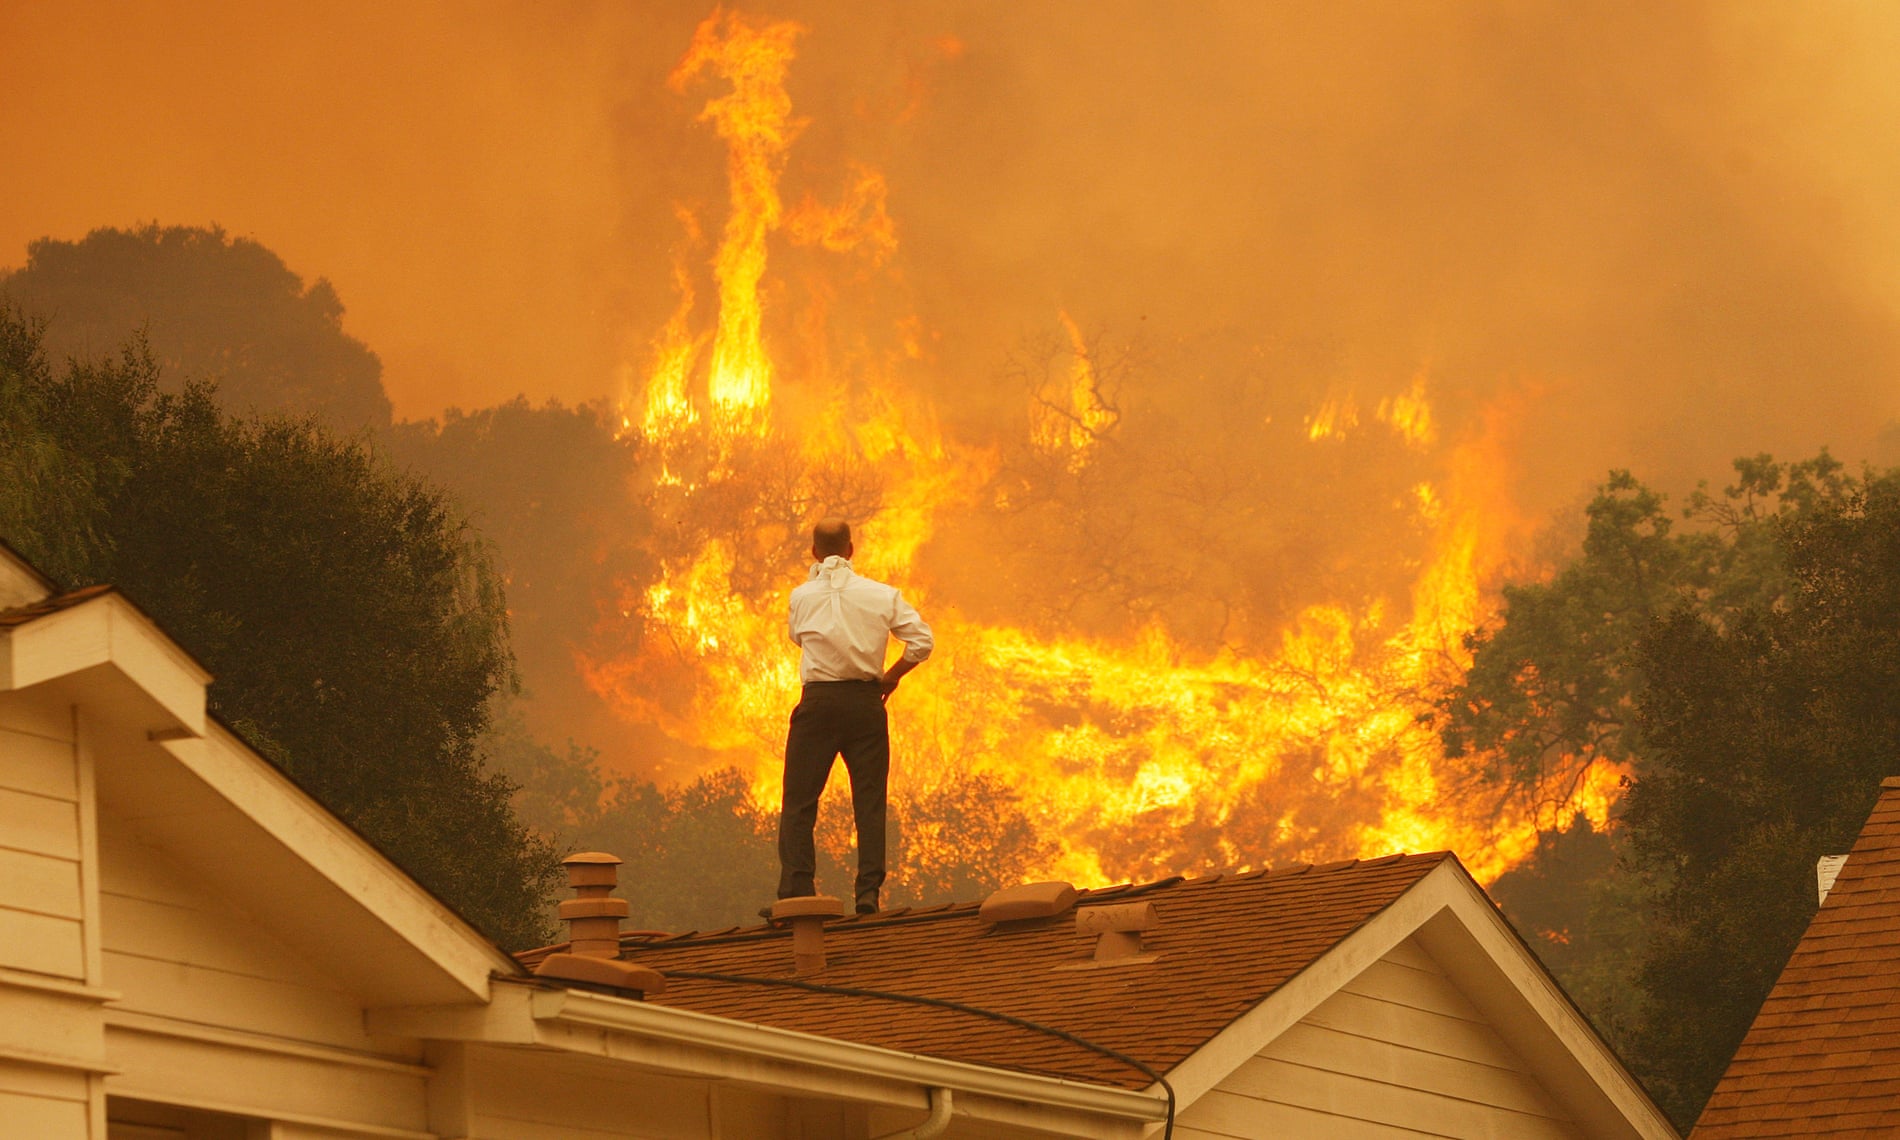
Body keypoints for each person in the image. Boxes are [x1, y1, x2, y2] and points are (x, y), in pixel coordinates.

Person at [777, 517, 933, 915]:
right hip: (866, 704)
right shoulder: (883, 595)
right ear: (851, 549)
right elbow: (922, 642)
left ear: (814, 552)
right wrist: (892, 677)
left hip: (819, 703)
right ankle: (867, 895)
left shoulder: (801, 597)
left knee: (799, 803)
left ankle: (797, 894)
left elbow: (797, 638)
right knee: (869, 803)